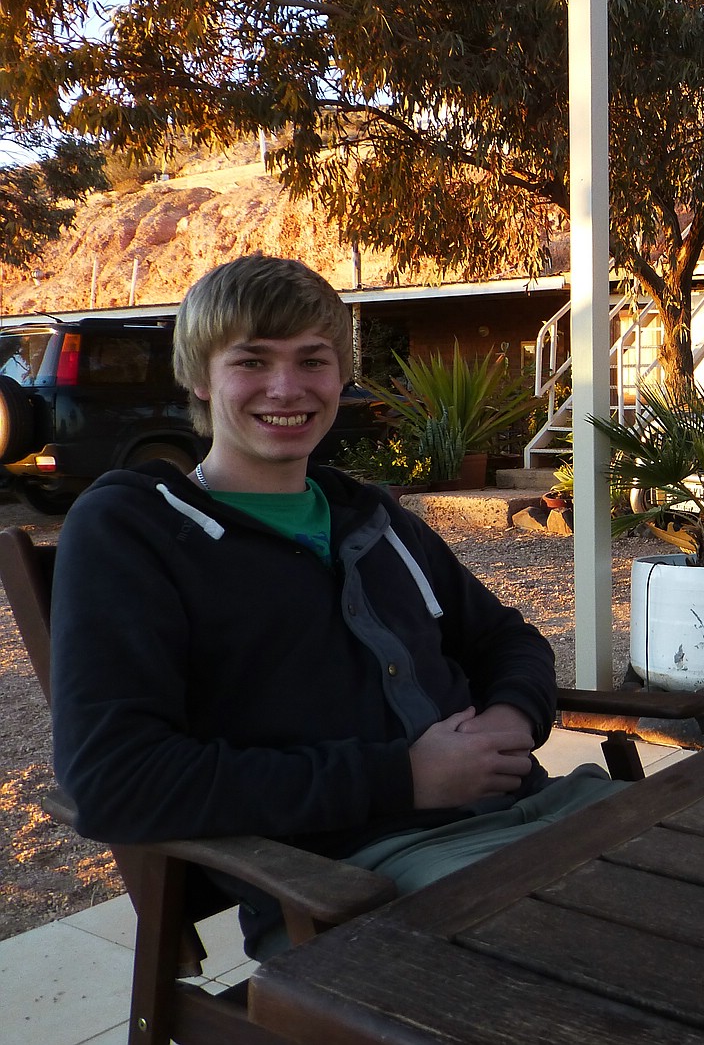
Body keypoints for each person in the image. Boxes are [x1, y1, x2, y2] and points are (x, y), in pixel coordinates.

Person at [50, 255, 622, 956]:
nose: (286, 387)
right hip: (364, 879)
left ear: (339, 375)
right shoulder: (137, 530)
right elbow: (115, 778)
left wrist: (512, 716)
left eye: (312, 360)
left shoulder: (369, 516)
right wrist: (403, 777)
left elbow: (506, 638)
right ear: (199, 375)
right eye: (252, 361)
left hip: (544, 811)